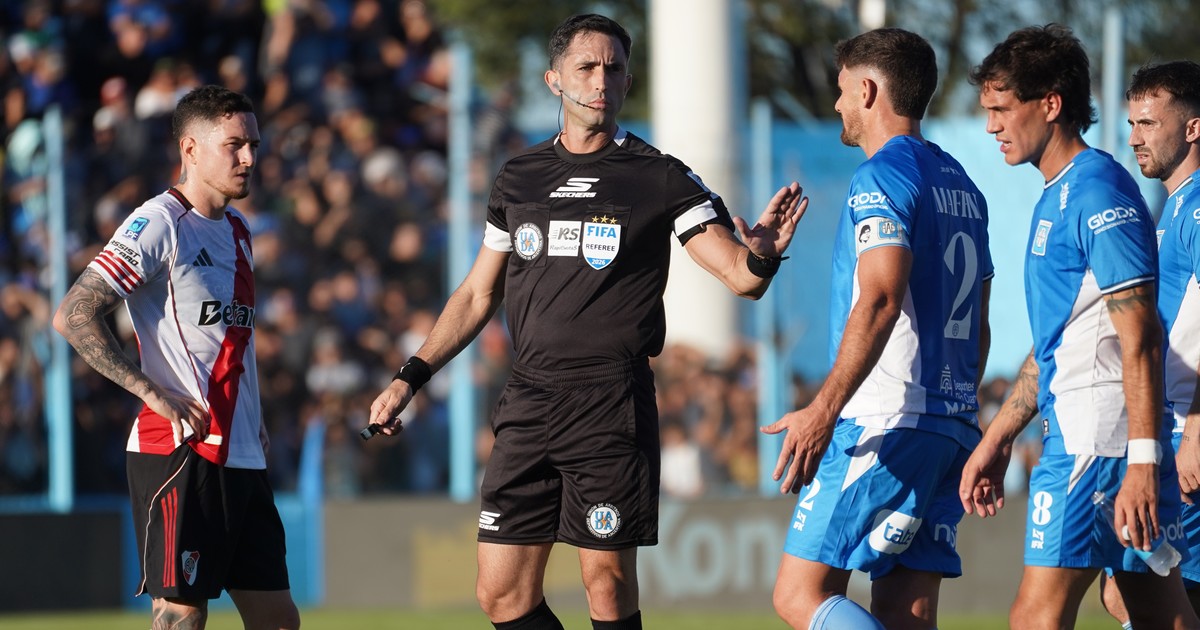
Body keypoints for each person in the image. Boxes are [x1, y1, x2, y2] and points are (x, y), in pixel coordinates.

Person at [365, 13, 806, 630]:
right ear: (554, 79)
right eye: (587, 67)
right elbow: (476, 294)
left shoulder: (659, 176)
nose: (602, 80)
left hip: (609, 400)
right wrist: (408, 377)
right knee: (501, 594)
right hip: (528, 398)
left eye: (614, 69)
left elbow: (741, 278)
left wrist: (762, 253)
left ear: (628, 83)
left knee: (606, 585)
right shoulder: (518, 177)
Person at [959, 25, 1200, 629]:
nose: (991, 126)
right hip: (1102, 436)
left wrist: (1143, 460)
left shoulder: (1097, 191)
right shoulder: (1062, 192)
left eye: (1001, 109)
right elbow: (1058, 343)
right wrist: (999, 436)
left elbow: (1140, 334)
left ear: (1050, 104)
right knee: (1156, 613)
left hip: (1099, 441)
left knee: (1035, 618)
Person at [760, 28, 992, 629]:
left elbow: (882, 297)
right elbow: (980, 325)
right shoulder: (964, 186)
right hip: (949, 423)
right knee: (904, 613)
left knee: (799, 594)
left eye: (842, 90)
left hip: (887, 420)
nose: (837, 104)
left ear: (867, 90)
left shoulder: (882, 176)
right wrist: (959, 412)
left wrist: (824, 408)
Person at [52, 85, 300, 630]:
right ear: (190, 148)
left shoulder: (238, 230)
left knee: (279, 620)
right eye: (234, 145)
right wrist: (151, 392)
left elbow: (232, 339)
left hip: (242, 453)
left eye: (254, 145)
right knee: (181, 617)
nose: (249, 158)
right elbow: (73, 315)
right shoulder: (159, 222)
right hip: (181, 450)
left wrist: (255, 420)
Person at [1102, 60, 1200, 628]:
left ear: (1192, 128)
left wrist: (1196, 433)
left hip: (1188, 435)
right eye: (1131, 124)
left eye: (1148, 123)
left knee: (1146, 592)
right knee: (1132, 592)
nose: (1135, 138)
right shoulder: (1172, 206)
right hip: (1170, 432)